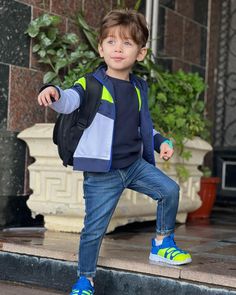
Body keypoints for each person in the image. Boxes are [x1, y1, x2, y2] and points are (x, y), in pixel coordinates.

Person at [38, 9, 192, 295]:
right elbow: (69, 100)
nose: (118, 48)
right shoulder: (91, 83)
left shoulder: (138, 88)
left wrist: (161, 142)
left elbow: (144, 125)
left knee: (169, 191)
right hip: (102, 173)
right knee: (94, 229)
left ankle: (162, 244)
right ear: (100, 48)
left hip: (133, 164)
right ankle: (85, 279)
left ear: (141, 53)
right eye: (110, 42)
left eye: (127, 43)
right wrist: (54, 93)